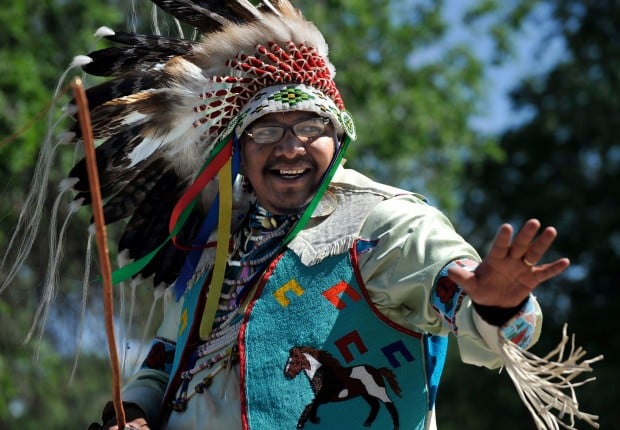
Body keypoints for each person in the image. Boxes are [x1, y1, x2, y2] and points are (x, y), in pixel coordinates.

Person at [0, 1, 598, 430]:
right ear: (238, 151)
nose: (288, 147)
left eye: (309, 127)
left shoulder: (387, 225)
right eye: (264, 130)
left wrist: (497, 303)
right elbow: (164, 358)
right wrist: (130, 412)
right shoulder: (217, 246)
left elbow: (485, 323)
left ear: (339, 140)